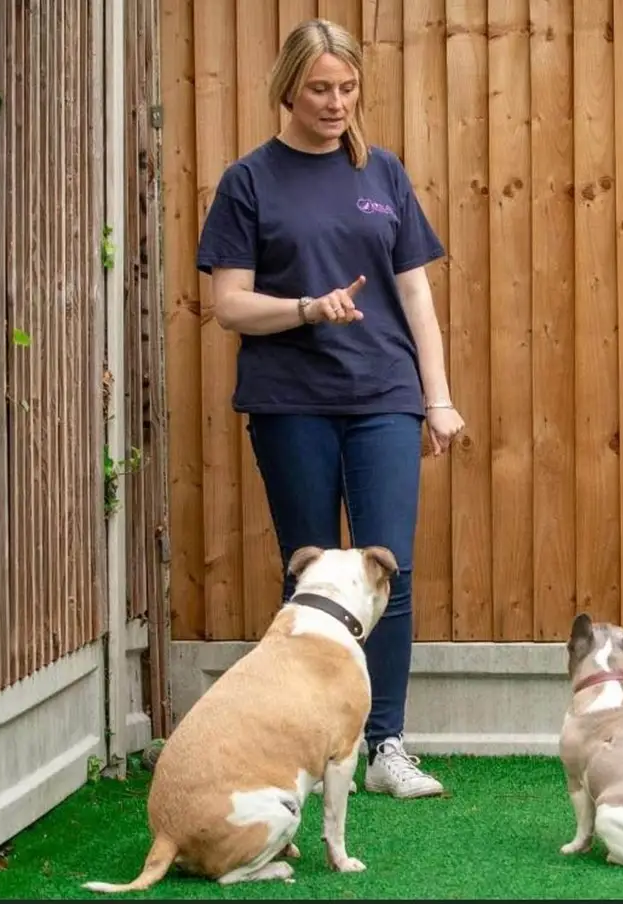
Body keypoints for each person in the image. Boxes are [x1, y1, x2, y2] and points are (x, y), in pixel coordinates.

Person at [194, 17, 462, 800]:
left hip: (385, 396)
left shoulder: (383, 173)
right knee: (309, 575)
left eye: (347, 88)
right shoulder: (249, 181)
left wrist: (438, 399)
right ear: (289, 89)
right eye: (319, 89)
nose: (336, 102)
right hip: (290, 403)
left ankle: (386, 748)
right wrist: (308, 309)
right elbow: (229, 306)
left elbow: (416, 296)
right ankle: (303, 747)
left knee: (389, 569)